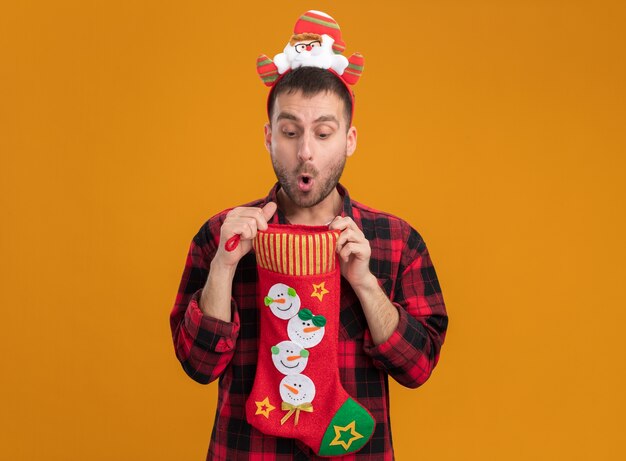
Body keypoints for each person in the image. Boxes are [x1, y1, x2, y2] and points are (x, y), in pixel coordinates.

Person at [170, 11, 447, 460]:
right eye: (290, 132)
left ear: (349, 140)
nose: (305, 152)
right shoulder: (223, 234)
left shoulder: (396, 240)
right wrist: (223, 265)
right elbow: (198, 365)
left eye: (323, 133)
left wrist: (364, 282)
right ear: (268, 137)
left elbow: (417, 367)